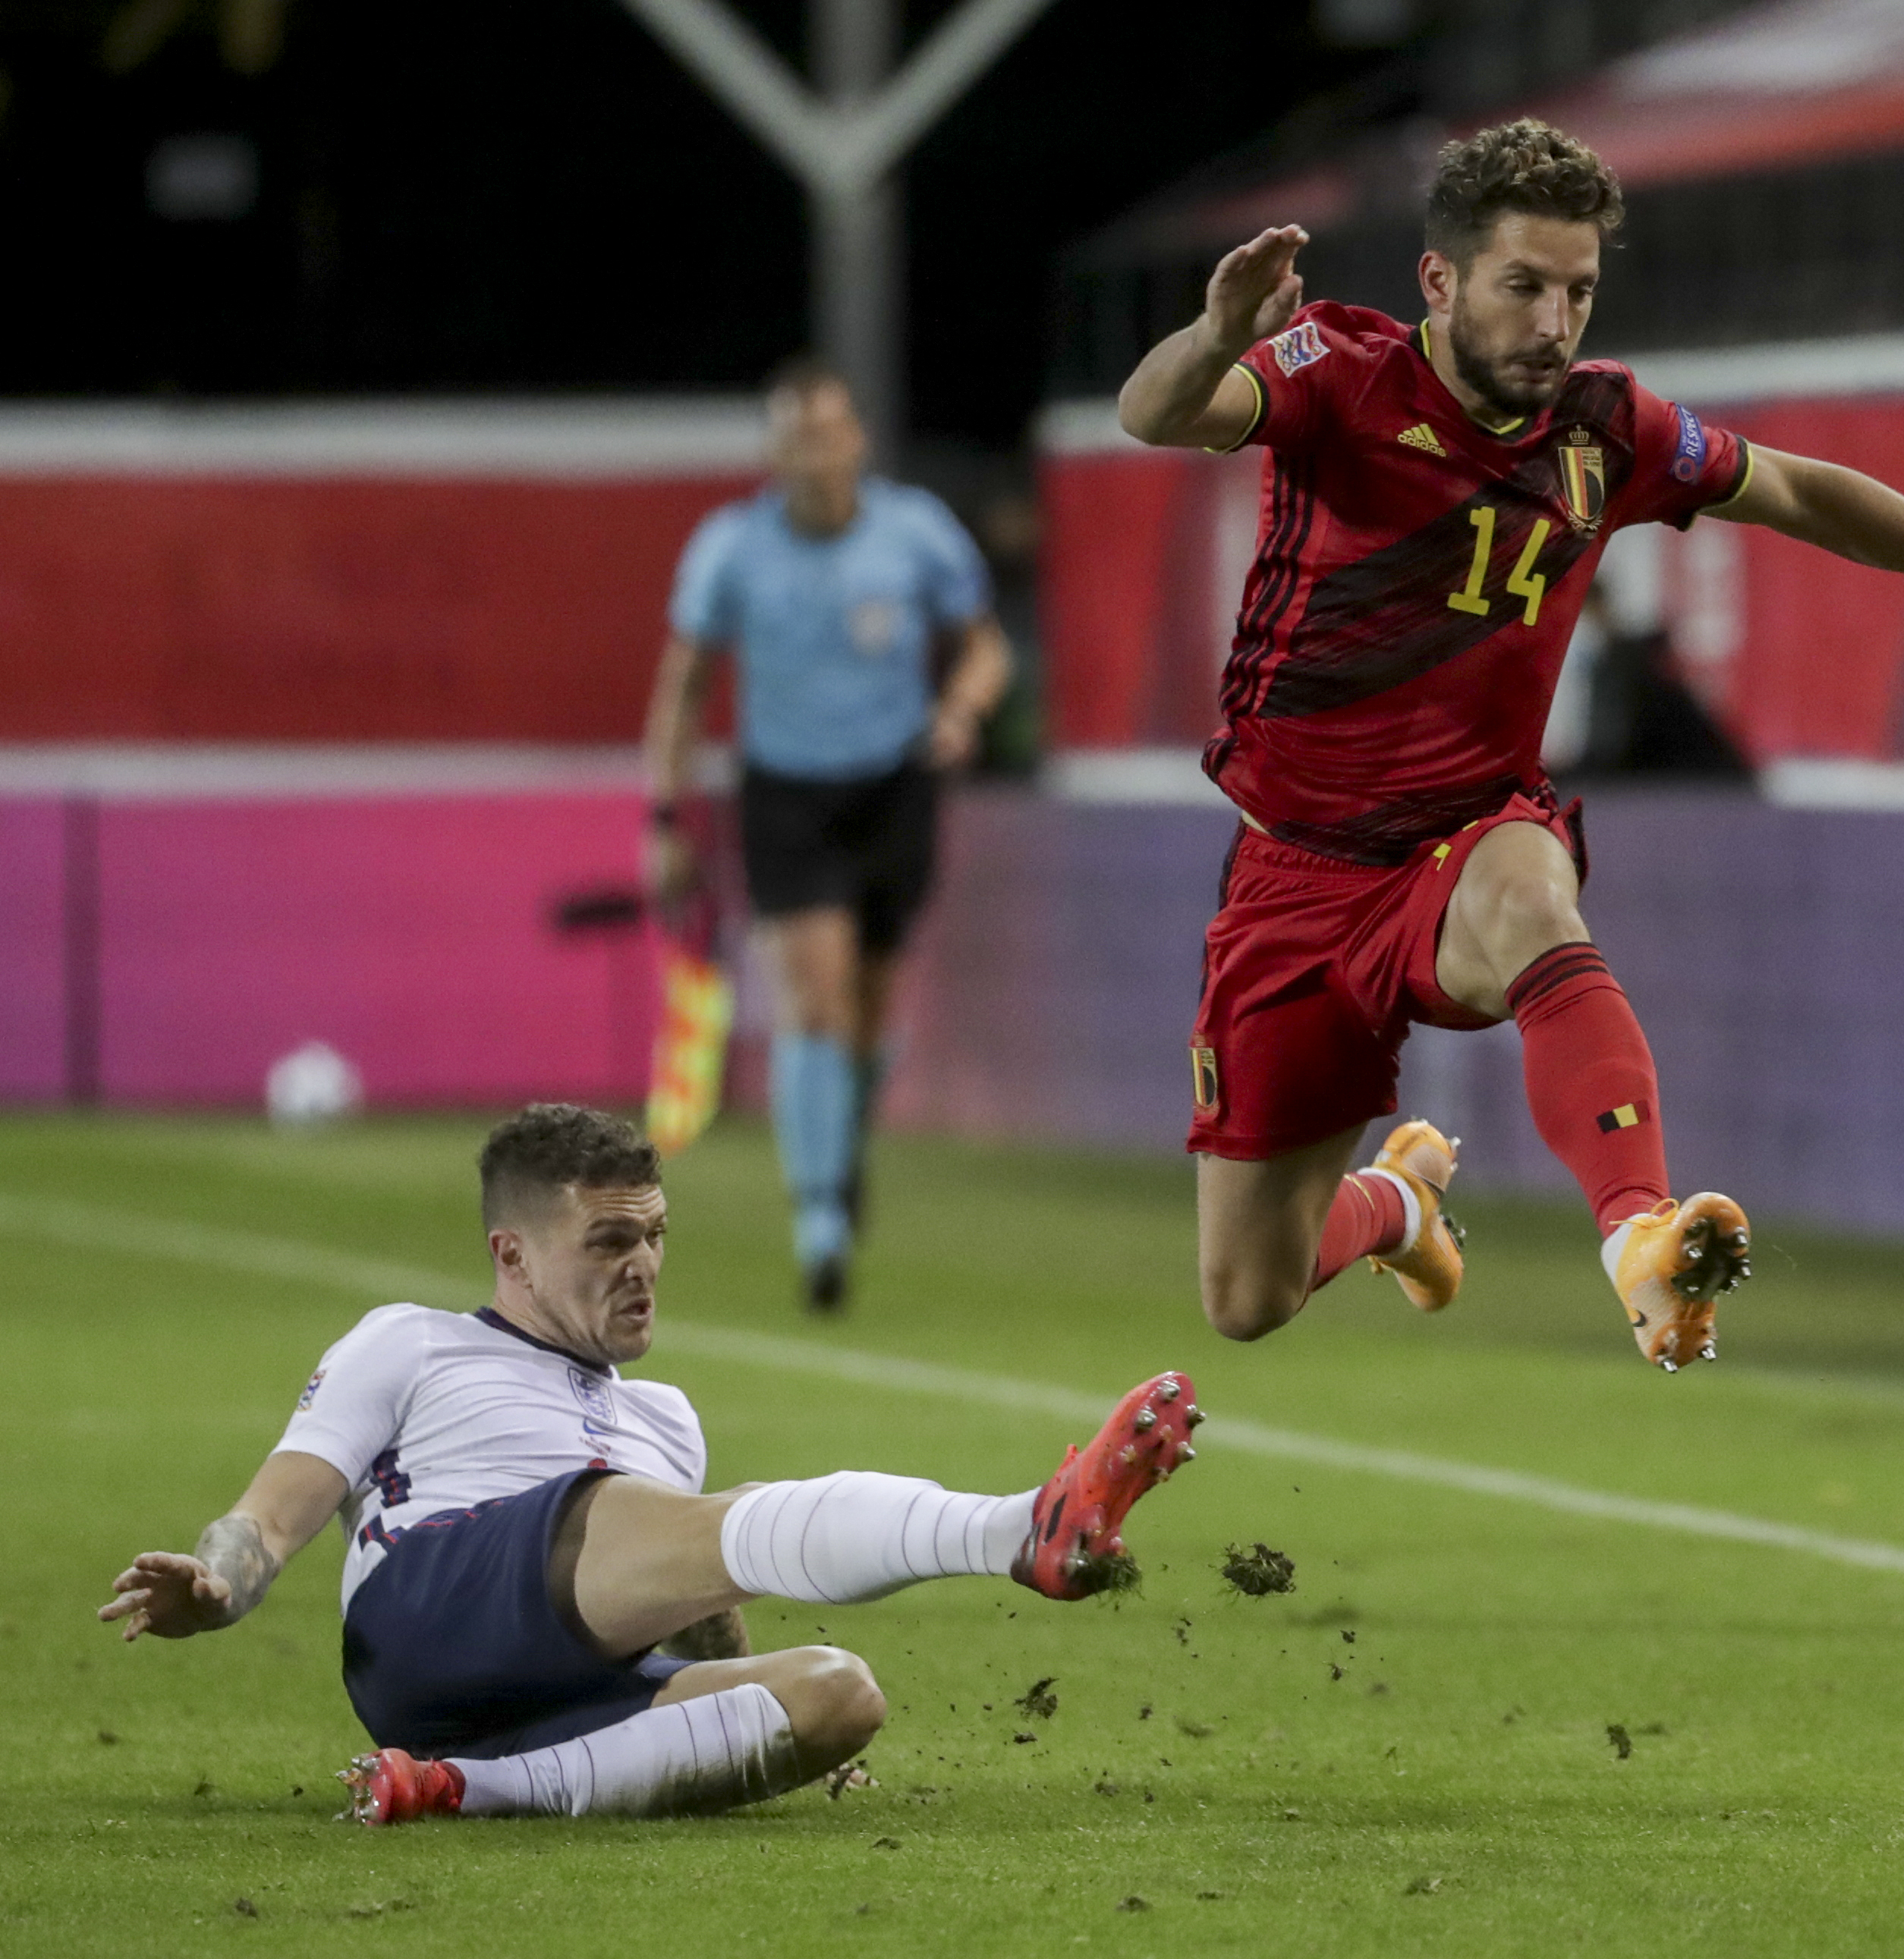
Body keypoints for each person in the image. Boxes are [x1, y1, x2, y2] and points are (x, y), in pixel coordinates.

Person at [1114, 120, 1904, 1370]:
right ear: (1440, 282)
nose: (1553, 324)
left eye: (1577, 292)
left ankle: (1642, 1238)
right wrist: (1214, 335)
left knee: (1529, 893)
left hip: (1462, 841)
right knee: (1248, 1294)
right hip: (1292, 874)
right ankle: (1399, 1204)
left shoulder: (1606, 429)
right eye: (1523, 286)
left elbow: (1793, 489)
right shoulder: (1338, 375)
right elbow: (1156, 411)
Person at [97, 1104, 1197, 1825]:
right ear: (513, 1254)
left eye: (656, 1234)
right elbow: (271, 1513)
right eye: (610, 1241)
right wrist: (218, 1584)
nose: (644, 1266)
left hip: (539, 1690)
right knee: (650, 1509)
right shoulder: (412, 1341)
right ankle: (1017, 1528)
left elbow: (691, 1590)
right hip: (429, 1615)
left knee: (838, 1693)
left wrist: (777, 1733)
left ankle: (457, 1787)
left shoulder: (663, 1416)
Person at [644, 360, 1016, 1312]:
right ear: (774, 452)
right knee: (814, 1001)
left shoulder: (915, 532)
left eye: (827, 433)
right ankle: (819, 1218)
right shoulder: (731, 547)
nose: (813, 454)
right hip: (785, 795)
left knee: (869, 1015)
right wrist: (666, 814)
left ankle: (840, 1150)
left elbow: (985, 644)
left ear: (856, 441)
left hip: (894, 787)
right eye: (794, 438)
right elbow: (685, 682)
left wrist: (962, 709)